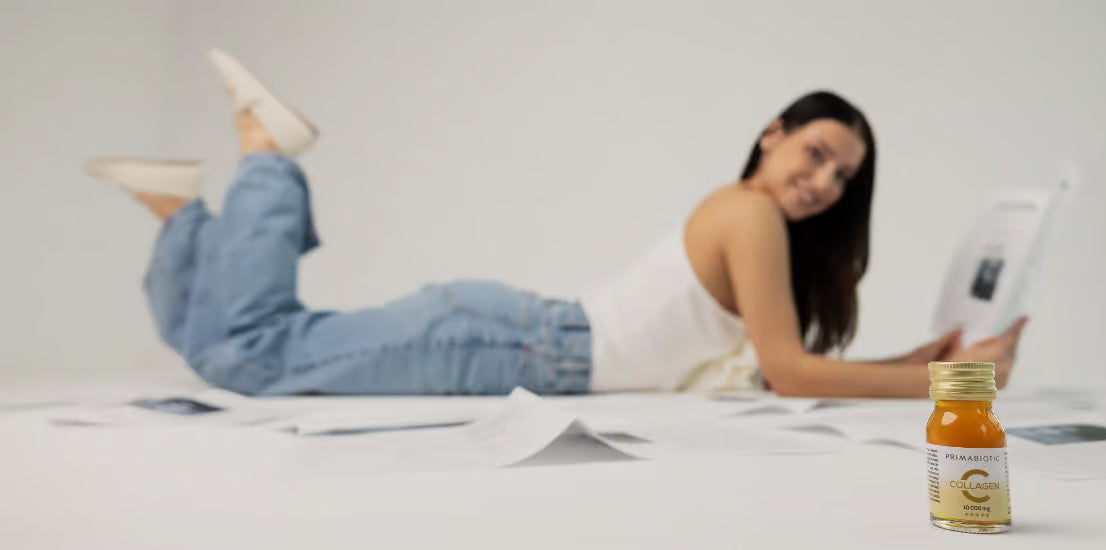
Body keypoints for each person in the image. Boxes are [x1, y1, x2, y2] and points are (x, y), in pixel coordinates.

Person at [85, 49, 1028, 397]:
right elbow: (787, 372)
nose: (823, 181)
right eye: (815, 152)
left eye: (844, 176)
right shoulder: (748, 212)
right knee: (253, 356)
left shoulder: (756, 221)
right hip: (515, 347)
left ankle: (177, 215)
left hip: (517, 337)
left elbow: (788, 369)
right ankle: (263, 157)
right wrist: (957, 384)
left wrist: (916, 362)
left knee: (235, 352)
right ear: (772, 137)